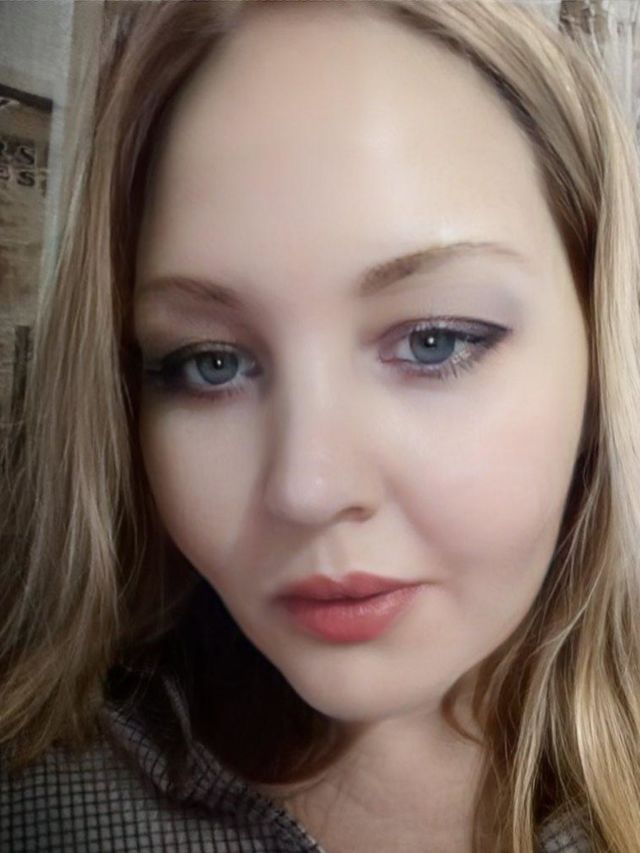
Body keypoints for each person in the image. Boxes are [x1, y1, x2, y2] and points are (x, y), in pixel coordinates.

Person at [1, 0, 639, 850]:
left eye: (433, 340)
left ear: (599, 358)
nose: (307, 488)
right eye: (210, 362)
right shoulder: (40, 814)